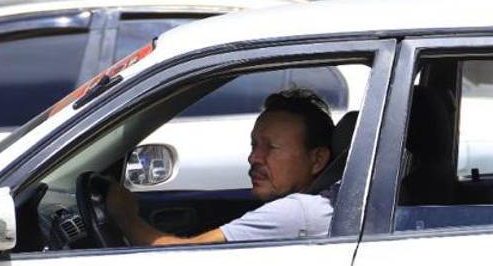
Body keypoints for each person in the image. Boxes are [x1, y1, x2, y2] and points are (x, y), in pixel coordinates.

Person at [106, 88, 335, 245]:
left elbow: (179, 255)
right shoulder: (317, 205)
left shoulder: (298, 212)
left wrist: (124, 214)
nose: (254, 158)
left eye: (271, 148)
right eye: (254, 145)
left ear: (317, 160)